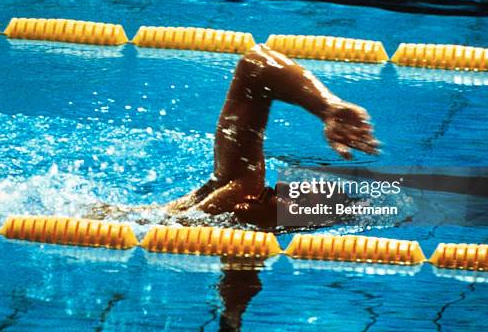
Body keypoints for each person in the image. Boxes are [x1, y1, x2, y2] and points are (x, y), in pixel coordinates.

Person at [90, 44, 378, 227]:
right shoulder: (244, 186)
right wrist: (328, 107)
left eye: (294, 200)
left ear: (301, 223)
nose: (281, 188)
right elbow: (257, 65)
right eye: (287, 188)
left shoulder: (235, 208)